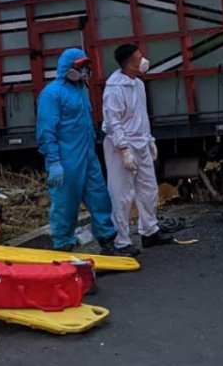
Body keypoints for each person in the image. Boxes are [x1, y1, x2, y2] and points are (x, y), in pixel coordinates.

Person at [36, 47, 119, 254]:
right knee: (65, 205)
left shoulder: (81, 90)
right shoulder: (52, 93)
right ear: (68, 67)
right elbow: (47, 130)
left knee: (99, 197)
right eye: (80, 66)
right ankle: (64, 247)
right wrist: (54, 161)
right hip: (65, 160)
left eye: (85, 66)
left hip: (87, 156)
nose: (84, 70)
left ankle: (107, 242)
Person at [102, 44, 174, 253]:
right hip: (121, 147)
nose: (143, 61)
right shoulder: (114, 88)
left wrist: (149, 139)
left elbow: (142, 116)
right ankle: (121, 241)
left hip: (140, 143)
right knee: (122, 194)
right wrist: (124, 150)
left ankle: (149, 231)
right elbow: (113, 122)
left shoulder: (137, 85)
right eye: (139, 58)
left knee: (149, 189)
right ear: (130, 64)